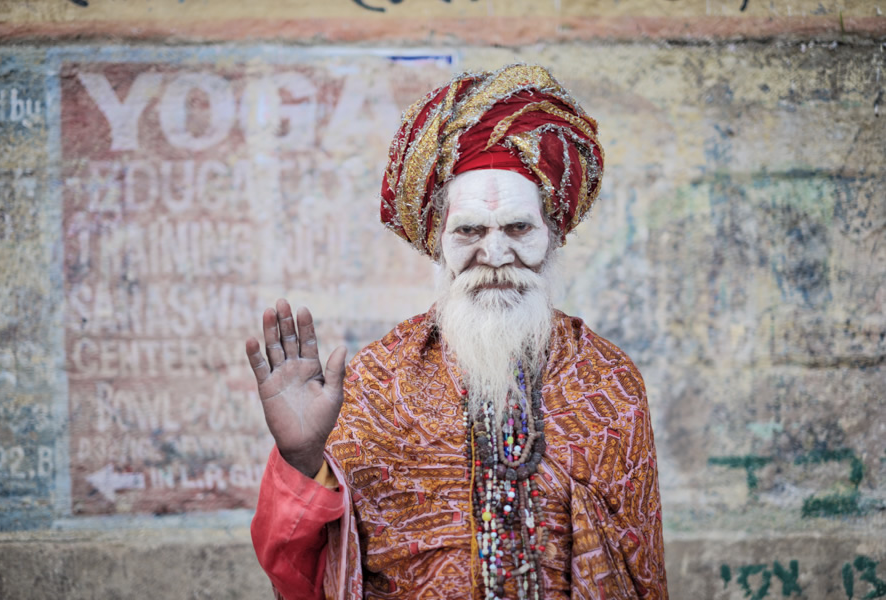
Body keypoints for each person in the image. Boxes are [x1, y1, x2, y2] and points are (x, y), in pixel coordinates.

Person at [247, 64, 668, 600]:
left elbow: (642, 574)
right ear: (437, 240)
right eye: (469, 230)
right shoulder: (375, 383)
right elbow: (295, 569)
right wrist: (302, 460)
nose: (494, 254)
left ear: (553, 233)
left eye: (519, 228)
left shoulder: (609, 383)